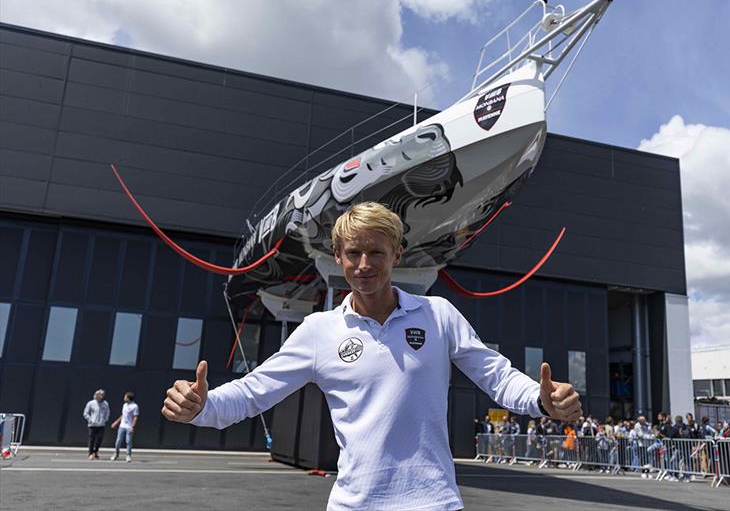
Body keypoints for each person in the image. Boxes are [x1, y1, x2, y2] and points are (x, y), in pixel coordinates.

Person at [161, 202, 583, 511]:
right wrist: (201, 407)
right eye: (353, 254)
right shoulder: (318, 332)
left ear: (397, 255)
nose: (364, 264)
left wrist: (541, 399)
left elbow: (496, 376)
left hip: (433, 503)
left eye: (376, 253)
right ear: (339, 258)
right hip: (354, 504)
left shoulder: (437, 315)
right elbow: (253, 394)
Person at [110, 392, 139, 462]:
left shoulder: (135, 406)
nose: (124, 398)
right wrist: (116, 422)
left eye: (125, 397)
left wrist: (132, 426)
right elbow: (123, 415)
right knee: (118, 441)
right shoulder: (124, 405)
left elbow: (135, 417)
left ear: (128, 398)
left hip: (129, 427)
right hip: (122, 426)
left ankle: (128, 455)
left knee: (128, 441)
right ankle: (116, 454)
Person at [82, 389, 110, 460]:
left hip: (101, 425)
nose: (101, 396)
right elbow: (85, 413)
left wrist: (105, 419)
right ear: (96, 395)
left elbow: (107, 412)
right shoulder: (91, 403)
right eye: (100, 395)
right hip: (92, 425)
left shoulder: (105, 403)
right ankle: (90, 453)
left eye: (102, 395)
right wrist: (90, 420)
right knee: (92, 439)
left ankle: (96, 451)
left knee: (99, 439)